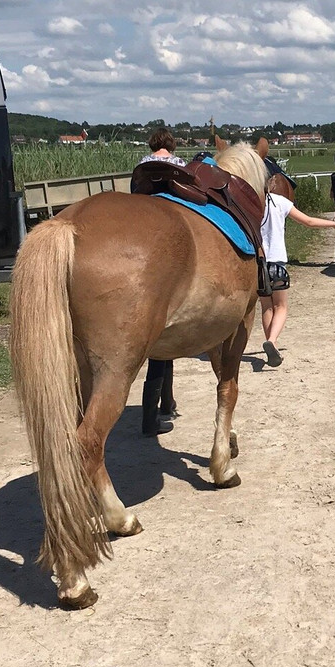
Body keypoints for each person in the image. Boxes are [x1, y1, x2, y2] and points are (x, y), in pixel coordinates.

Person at [134, 128, 186, 436]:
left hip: (142, 223)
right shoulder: (179, 162)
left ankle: (166, 402)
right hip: (171, 229)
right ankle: (150, 416)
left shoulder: (141, 164)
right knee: (161, 340)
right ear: (170, 144)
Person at [259, 192, 335, 367]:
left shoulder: (250, 201)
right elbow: (308, 221)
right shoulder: (279, 202)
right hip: (277, 263)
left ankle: (271, 344)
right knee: (281, 307)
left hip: (258, 264)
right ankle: (272, 340)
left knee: (267, 307)